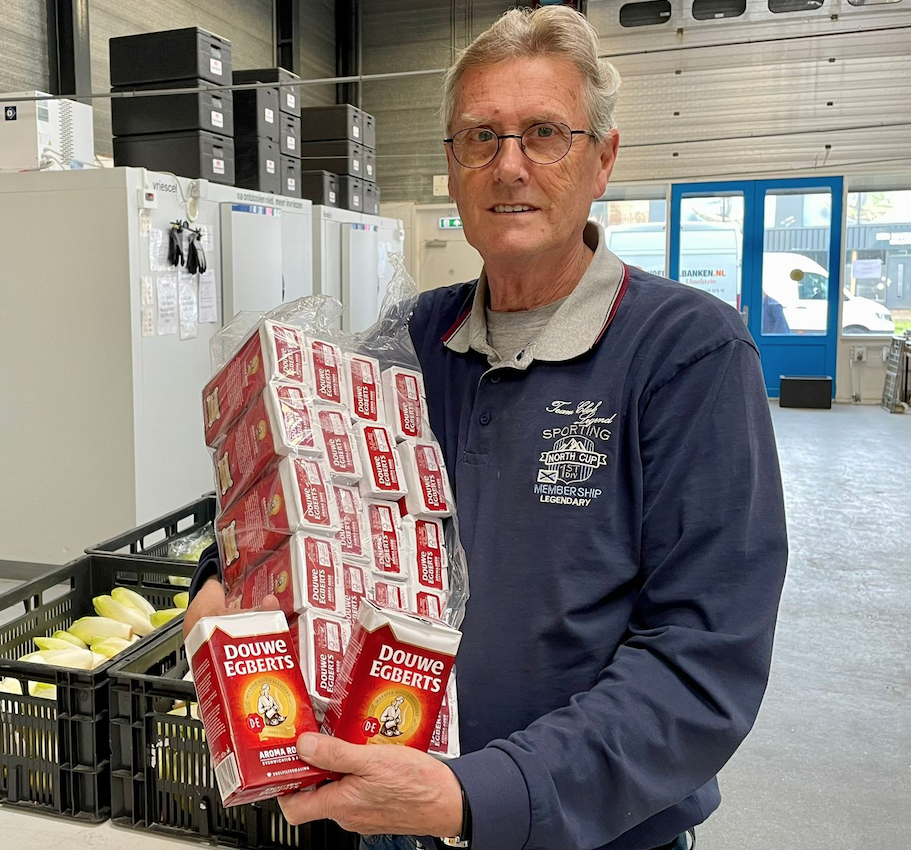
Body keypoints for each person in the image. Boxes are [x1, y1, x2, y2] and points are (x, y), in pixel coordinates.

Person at [185, 8, 787, 850]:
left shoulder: (687, 353)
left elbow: (701, 663)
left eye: (545, 133)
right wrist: (221, 583)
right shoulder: (414, 339)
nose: (510, 166)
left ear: (603, 159)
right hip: (381, 816)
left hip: (584, 835)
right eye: (481, 137)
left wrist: (478, 798)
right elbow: (295, 478)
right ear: (452, 165)